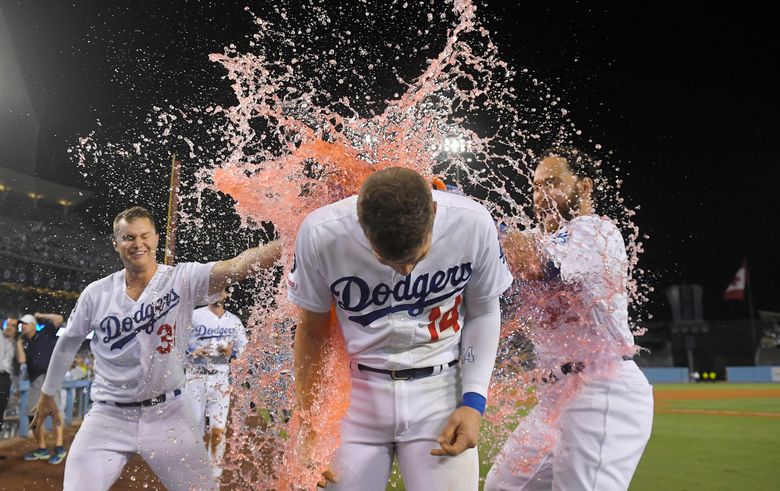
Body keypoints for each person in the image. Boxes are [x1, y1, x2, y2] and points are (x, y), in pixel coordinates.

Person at [290, 166, 513, 490]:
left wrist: (474, 401)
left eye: (415, 256)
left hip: (441, 390)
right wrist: (309, 426)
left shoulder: (472, 222)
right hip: (357, 396)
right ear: (361, 227)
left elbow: (484, 311)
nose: (406, 271)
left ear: (434, 211)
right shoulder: (322, 232)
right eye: (389, 261)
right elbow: (311, 330)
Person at [30, 206, 280, 491]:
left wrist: (294, 240)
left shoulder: (181, 279)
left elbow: (236, 267)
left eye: (144, 236)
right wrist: (48, 393)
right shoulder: (96, 293)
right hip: (108, 416)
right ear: (116, 243)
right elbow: (68, 342)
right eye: (128, 237)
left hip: (169, 413)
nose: (138, 244)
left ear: (157, 238)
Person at [484, 147, 654, 491]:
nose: (540, 195)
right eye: (534, 186)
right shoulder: (541, 237)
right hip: (557, 395)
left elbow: (538, 264)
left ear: (585, 187)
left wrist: (474, 218)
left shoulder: (594, 232)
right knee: (502, 486)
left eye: (553, 183)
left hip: (601, 388)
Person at [185, 288, 248, 479]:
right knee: (194, 428)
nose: (216, 294)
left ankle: (214, 477)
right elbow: (175, 343)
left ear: (227, 294)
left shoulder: (234, 321)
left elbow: (245, 351)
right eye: (212, 289)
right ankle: (193, 473)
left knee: (218, 429)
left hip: (220, 377)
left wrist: (233, 353)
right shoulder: (195, 315)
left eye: (220, 290)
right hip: (195, 377)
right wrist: (194, 350)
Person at [16, 312, 68, 465]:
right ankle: (42, 448)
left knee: (54, 411)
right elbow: (21, 360)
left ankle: (59, 448)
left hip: (50, 376)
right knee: (33, 415)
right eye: (22, 324)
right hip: (35, 381)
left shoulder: (45, 332)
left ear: (33, 325)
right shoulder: (24, 342)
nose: (22, 326)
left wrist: (40, 315)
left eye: (25, 323)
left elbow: (59, 319)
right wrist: (19, 344)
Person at [1, 317, 18, 455]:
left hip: (5, 380)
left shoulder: (16, 344)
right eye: (8, 324)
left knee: (1, 414)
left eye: (13, 325)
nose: (9, 327)